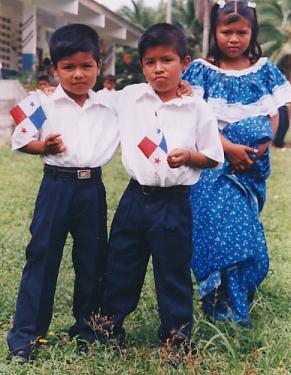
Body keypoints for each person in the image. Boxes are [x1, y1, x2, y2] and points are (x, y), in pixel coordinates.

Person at [97, 23, 224, 361]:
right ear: (142, 66)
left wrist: (189, 156)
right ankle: (109, 326)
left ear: (184, 62)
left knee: (173, 271)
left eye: (166, 60)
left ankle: (177, 338)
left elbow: (213, 156)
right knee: (122, 263)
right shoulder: (129, 97)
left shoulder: (197, 108)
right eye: (150, 62)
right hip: (135, 198)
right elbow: (92, 103)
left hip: (173, 202)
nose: (158, 69)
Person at [7, 23, 119, 363]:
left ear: (99, 66)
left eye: (86, 66)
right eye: (68, 67)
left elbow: (152, 98)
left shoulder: (108, 104)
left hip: (92, 189)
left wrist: (184, 88)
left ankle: (86, 328)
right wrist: (44, 145)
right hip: (56, 187)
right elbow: (22, 139)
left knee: (92, 259)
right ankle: (26, 335)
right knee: (42, 257)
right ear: (54, 69)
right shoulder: (42, 102)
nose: (78, 75)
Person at [182, 0, 291, 325]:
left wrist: (259, 145)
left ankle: (241, 290)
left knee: (245, 231)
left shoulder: (265, 70)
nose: (234, 38)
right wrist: (228, 148)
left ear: (252, 31)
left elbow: (276, 114)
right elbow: (190, 119)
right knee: (215, 231)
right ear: (215, 32)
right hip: (212, 166)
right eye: (226, 31)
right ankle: (217, 298)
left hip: (252, 167)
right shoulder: (201, 71)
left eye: (241, 32)